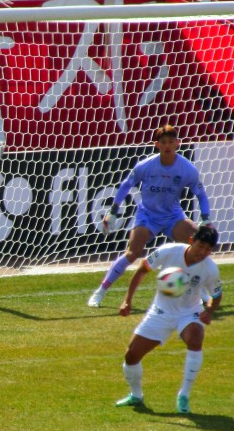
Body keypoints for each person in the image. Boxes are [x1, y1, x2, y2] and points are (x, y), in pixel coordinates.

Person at [87, 124, 211, 308]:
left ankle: (200, 291)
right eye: (163, 142)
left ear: (178, 143)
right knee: (132, 253)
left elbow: (200, 194)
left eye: (171, 142)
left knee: (196, 242)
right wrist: (112, 212)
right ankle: (101, 291)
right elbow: (126, 185)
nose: (167, 146)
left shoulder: (187, 169)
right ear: (156, 145)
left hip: (172, 216)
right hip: (148, 216)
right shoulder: (145, 165)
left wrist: (206, 217)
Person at [113, 225, 221, 414]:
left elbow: (217, 294)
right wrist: (127, 301)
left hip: (189, 312)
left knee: (196, 338)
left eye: (208, 249)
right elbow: (141, 270)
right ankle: (136, 396)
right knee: (131, 355)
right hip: (161, 312)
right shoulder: (168, 251)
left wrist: (209, 311)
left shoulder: (210, 269)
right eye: (200, 246)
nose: (203, 252)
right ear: (191, 241)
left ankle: (184, 395)